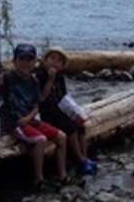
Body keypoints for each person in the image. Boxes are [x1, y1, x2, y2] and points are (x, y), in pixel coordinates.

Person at [0, 43, 68, 189]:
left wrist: (29, 118)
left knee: (61, 137)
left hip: (28, 120)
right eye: (22, 59)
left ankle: (62, 175)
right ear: (14, 61)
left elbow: (37, 104)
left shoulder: (33, 80)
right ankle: (38, 179)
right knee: (40, 139)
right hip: (13, 123)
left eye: (29, 59)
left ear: (34, 62)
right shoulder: (7, 78)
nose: (25, 63)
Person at [34, 46, 97, 175]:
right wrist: (50, 79)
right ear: (45, 61)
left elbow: (64, 98)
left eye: (58, 61)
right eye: (52, 58)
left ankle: (84, 157)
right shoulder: (40, 76)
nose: (54, 62)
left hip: (61, 110)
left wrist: (76, 112)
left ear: (62, 65)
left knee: (81, 125)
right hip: (48, 114)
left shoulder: (60, 77)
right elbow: (41, 98)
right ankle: (79, 160)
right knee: (70, 128)